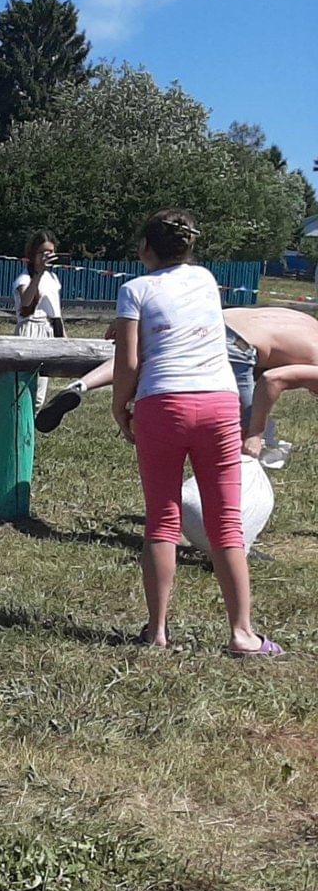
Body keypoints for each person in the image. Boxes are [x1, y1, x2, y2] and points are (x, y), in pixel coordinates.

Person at [112, 211, 279, 657]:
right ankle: (243, 633)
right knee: (226, 523)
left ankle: (157, 631)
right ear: (188, 246)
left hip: (161, 403)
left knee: (162, 520)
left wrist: (118, 406)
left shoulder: (134, 290)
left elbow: (129, 363)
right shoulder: (206, 279)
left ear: (146, 248)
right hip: (219, 404)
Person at [38, 305, 318, 450]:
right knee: (240, 444)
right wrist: (256, 431)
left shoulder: (306, 322)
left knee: (148, 358)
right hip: (236, 346)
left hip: (207, 319)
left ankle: (81, 385)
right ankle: (236, 529)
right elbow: (274, 380)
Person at [14, 230, 65, 409]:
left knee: (40, 392)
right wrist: (38, 274)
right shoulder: (25, 278)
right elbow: (26, 302)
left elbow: (55, 311)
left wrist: (62, 336)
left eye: (50, 252)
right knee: (23, 386)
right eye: (42, 252)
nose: (46, 256)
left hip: (48, 329)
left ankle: (31, 429)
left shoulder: (53, 278)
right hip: (30, 329)